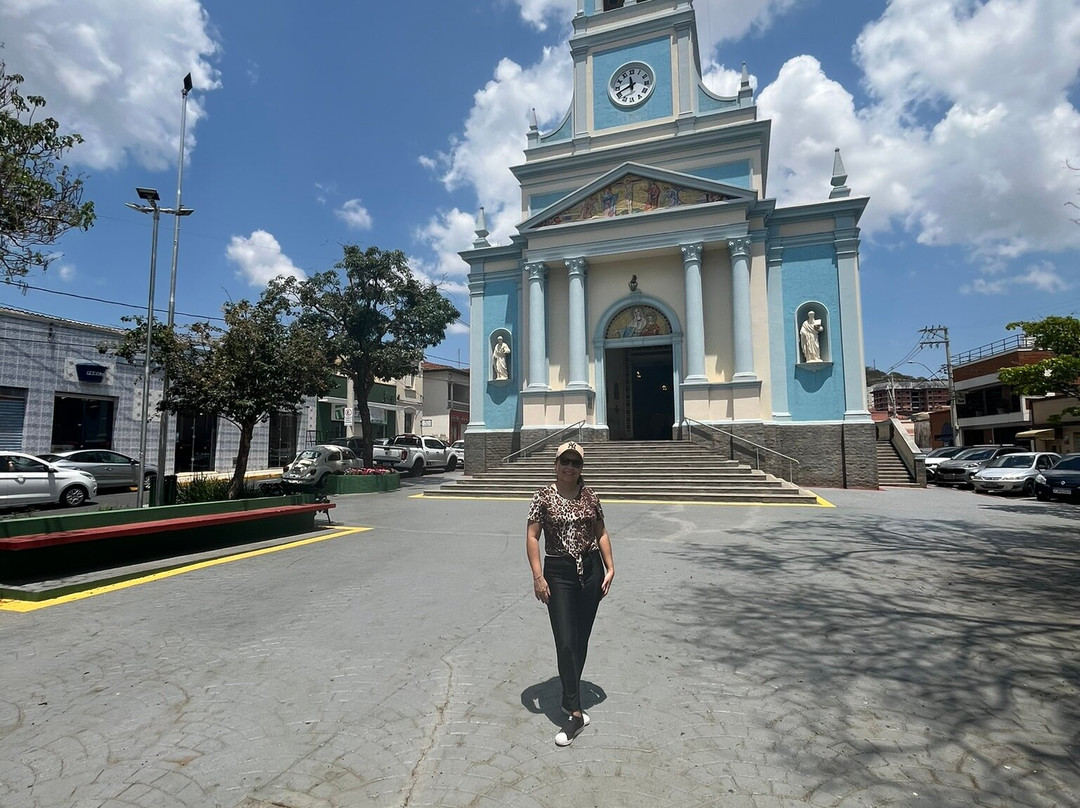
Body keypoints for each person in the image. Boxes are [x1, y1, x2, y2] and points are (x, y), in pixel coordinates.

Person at [526, 441, 615, 747]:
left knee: (580, 639)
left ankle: (569, 698)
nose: (570, 467)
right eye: (565, 461)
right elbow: (532, 536)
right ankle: (575, 713)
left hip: (591, 571)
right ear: (556, 464)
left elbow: (601, 532)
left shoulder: (591, 496)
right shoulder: (543, 496)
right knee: (565, 640)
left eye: (576, 463)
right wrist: (538, 577)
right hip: (559, 572)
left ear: (581, 469)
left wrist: (610, 567)